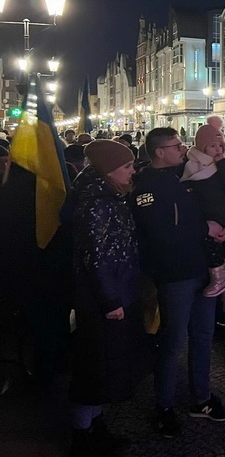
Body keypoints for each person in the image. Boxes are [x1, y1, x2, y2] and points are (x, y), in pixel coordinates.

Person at [131, 127, 225, 438]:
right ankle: (164, 406)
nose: (182, 148)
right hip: (175, 273)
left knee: (203, 335)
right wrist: (206, 227)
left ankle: (201, 397)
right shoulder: (146, 186)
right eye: (175, 145)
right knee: (172, 341)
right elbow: (161, 232)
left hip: (202, 268)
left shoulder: (183, 174)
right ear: (159, 152)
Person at [69, 140, 146, 456]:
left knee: (102, 370)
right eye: (127, 167)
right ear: (108, 171)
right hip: (101, 301)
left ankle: (95, 425)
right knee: (93, 368)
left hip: (110, 294)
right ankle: (83, 434)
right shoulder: (98, 204)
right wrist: (111, 301)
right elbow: (98, 257)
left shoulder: (109, 197)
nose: (132, 172)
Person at [180, 124, 225, 304]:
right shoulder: (190, 163)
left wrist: (223, 163)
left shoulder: (224, 162)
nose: (218, 149)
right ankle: (223, 282)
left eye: (221, 145)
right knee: (211, 246)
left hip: (222, 211)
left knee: (215, 248)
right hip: (205, 214)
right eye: (213, 146)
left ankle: (221, 280)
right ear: (201, 145)